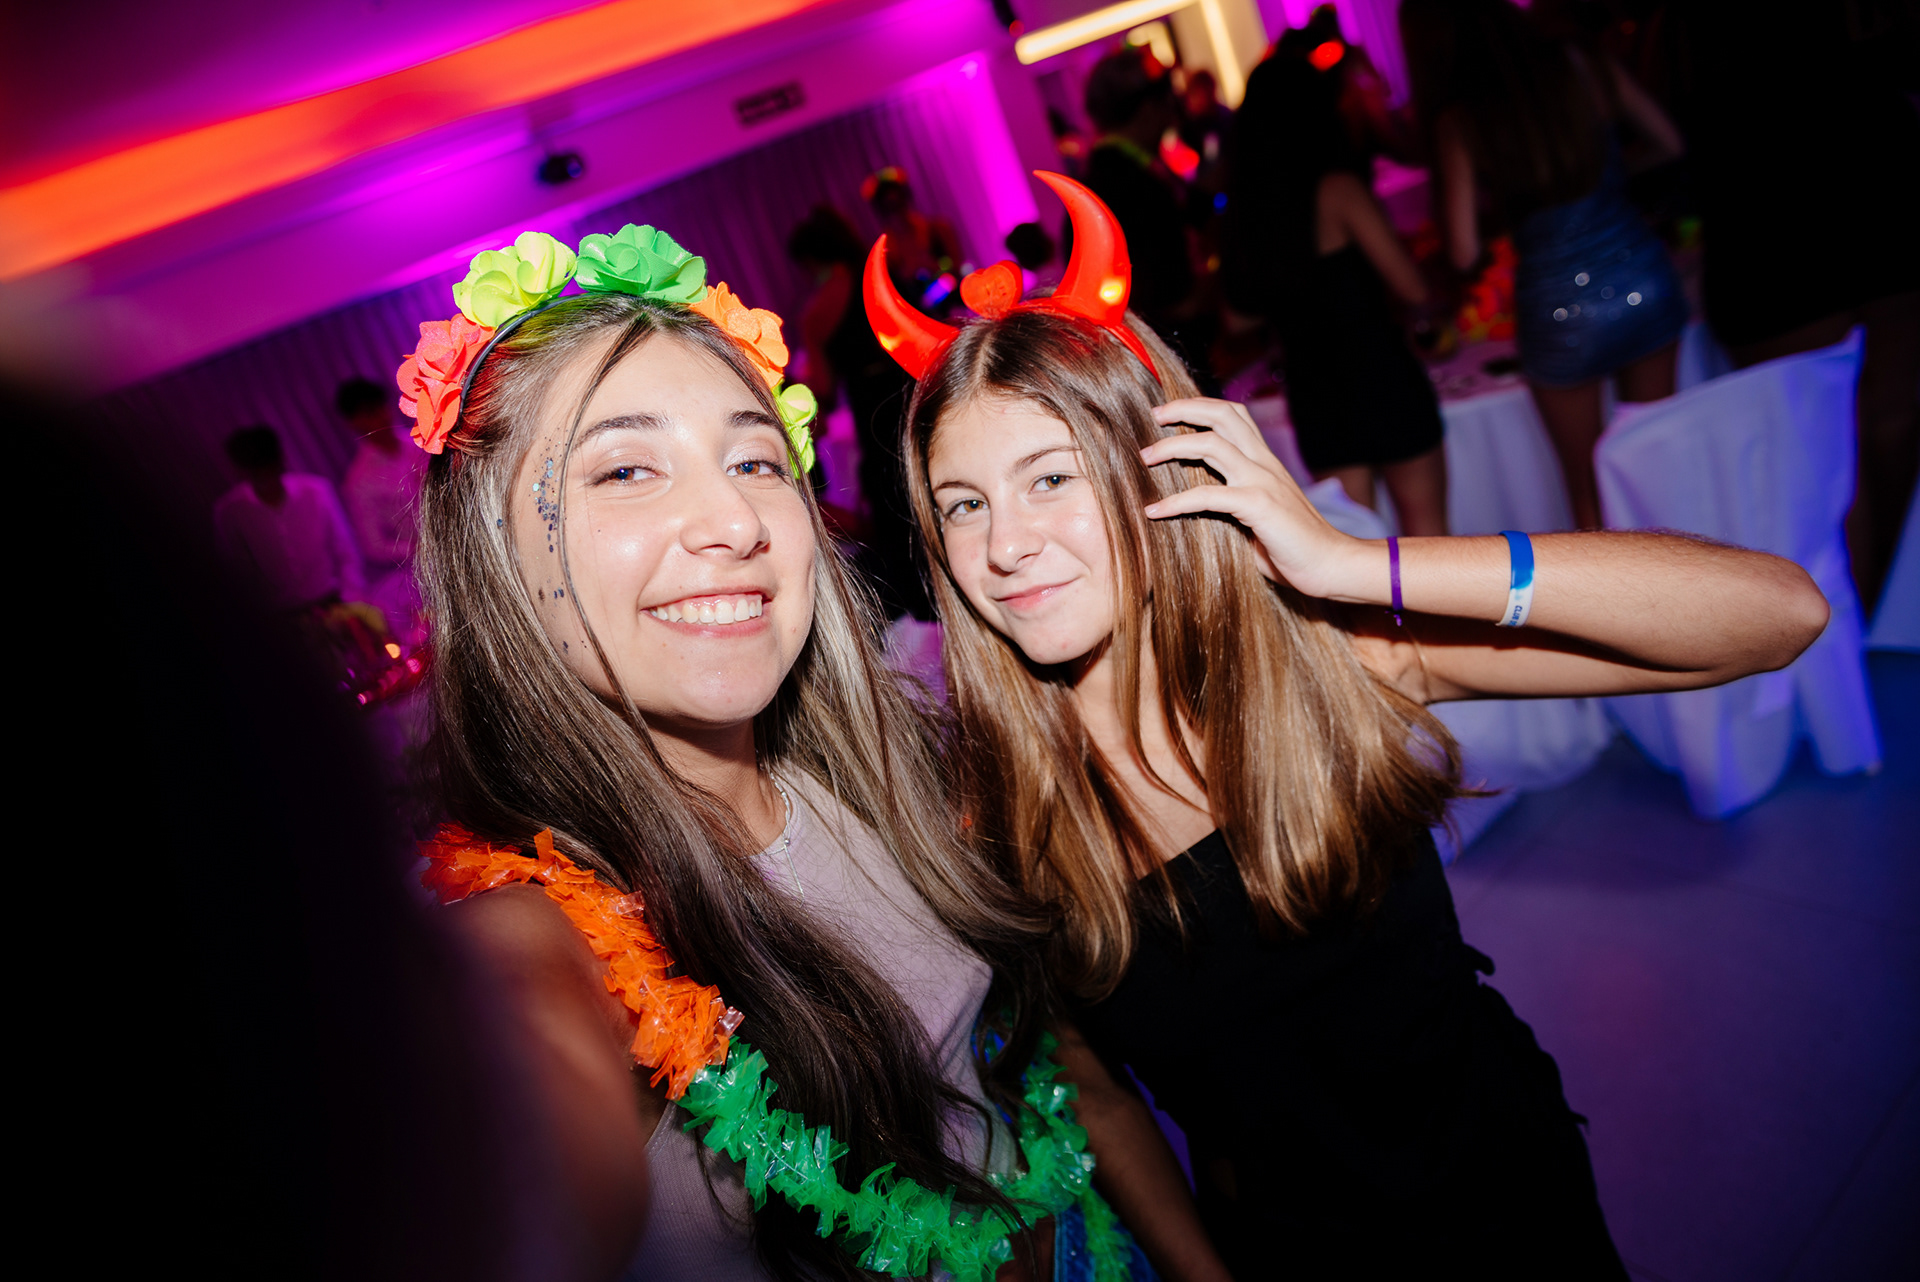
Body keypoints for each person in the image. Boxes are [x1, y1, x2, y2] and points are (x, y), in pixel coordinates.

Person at [868, 172, 1829, 1278]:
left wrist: (1358, 565)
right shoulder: (991, 815)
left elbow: (1776, 616)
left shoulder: (1324, 660)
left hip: (1510, 1207)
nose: (1005, 545)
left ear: (1157, 472)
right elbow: (1089, 1086)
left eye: (1050, 478)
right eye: (965, 504)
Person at [399, 225, 1186, 1279]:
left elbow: (1060, 1067)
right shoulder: (538, 944)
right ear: (492, 554)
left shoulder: (892, 773)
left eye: (755, 460)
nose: (733, 518)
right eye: (625, 468)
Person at [1664, 0, 1920, 614]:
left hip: (1794, 223)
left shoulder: (1695, 42)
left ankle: (1858, 627)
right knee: (1857, 443)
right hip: (1844, 198)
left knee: (1829, 454)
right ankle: (1864, 625)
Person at [1401, 0, 1689, 530]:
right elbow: (1669, 143)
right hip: (1642, 277)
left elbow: (1463, 251)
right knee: (1656, 466)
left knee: (1589, 487)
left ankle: (1618, 587)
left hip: (1561, 308)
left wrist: (1515, 207)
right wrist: (1605, 183)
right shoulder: (1579, 59)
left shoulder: (1461, 119)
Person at [1223, 52, 1449, 534]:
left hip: (1316, 395)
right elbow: (1412, 287)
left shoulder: (1248, 214)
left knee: (1353, 551)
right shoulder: (1337, 190)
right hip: (1381, 377)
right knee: (1428, 542)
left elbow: (1238, 318)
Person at [787, 204, 926, 619]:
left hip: (875, 409)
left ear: (810, 261)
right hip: (915, 391)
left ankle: (922, 613)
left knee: (896, 513)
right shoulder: (883, 277)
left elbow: (824, 390)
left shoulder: (820, 308)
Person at [213, 424, 366, 611]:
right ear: (242, 471)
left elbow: (345, 549)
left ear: (280, 460)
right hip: (281, 615)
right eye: (258, 474)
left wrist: (350, 598)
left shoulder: (316, 491)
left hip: (334, 600)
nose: (267, 480)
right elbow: (240, 572)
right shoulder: (230, 511)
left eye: (269, 470)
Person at [337, 376, 429, 643]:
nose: (379, 417)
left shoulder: (421, 442)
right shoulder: (359, 481)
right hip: (421, 569)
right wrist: (418, 548)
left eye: (380, 407)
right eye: (368, 413)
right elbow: (373, 545)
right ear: (353, 423)